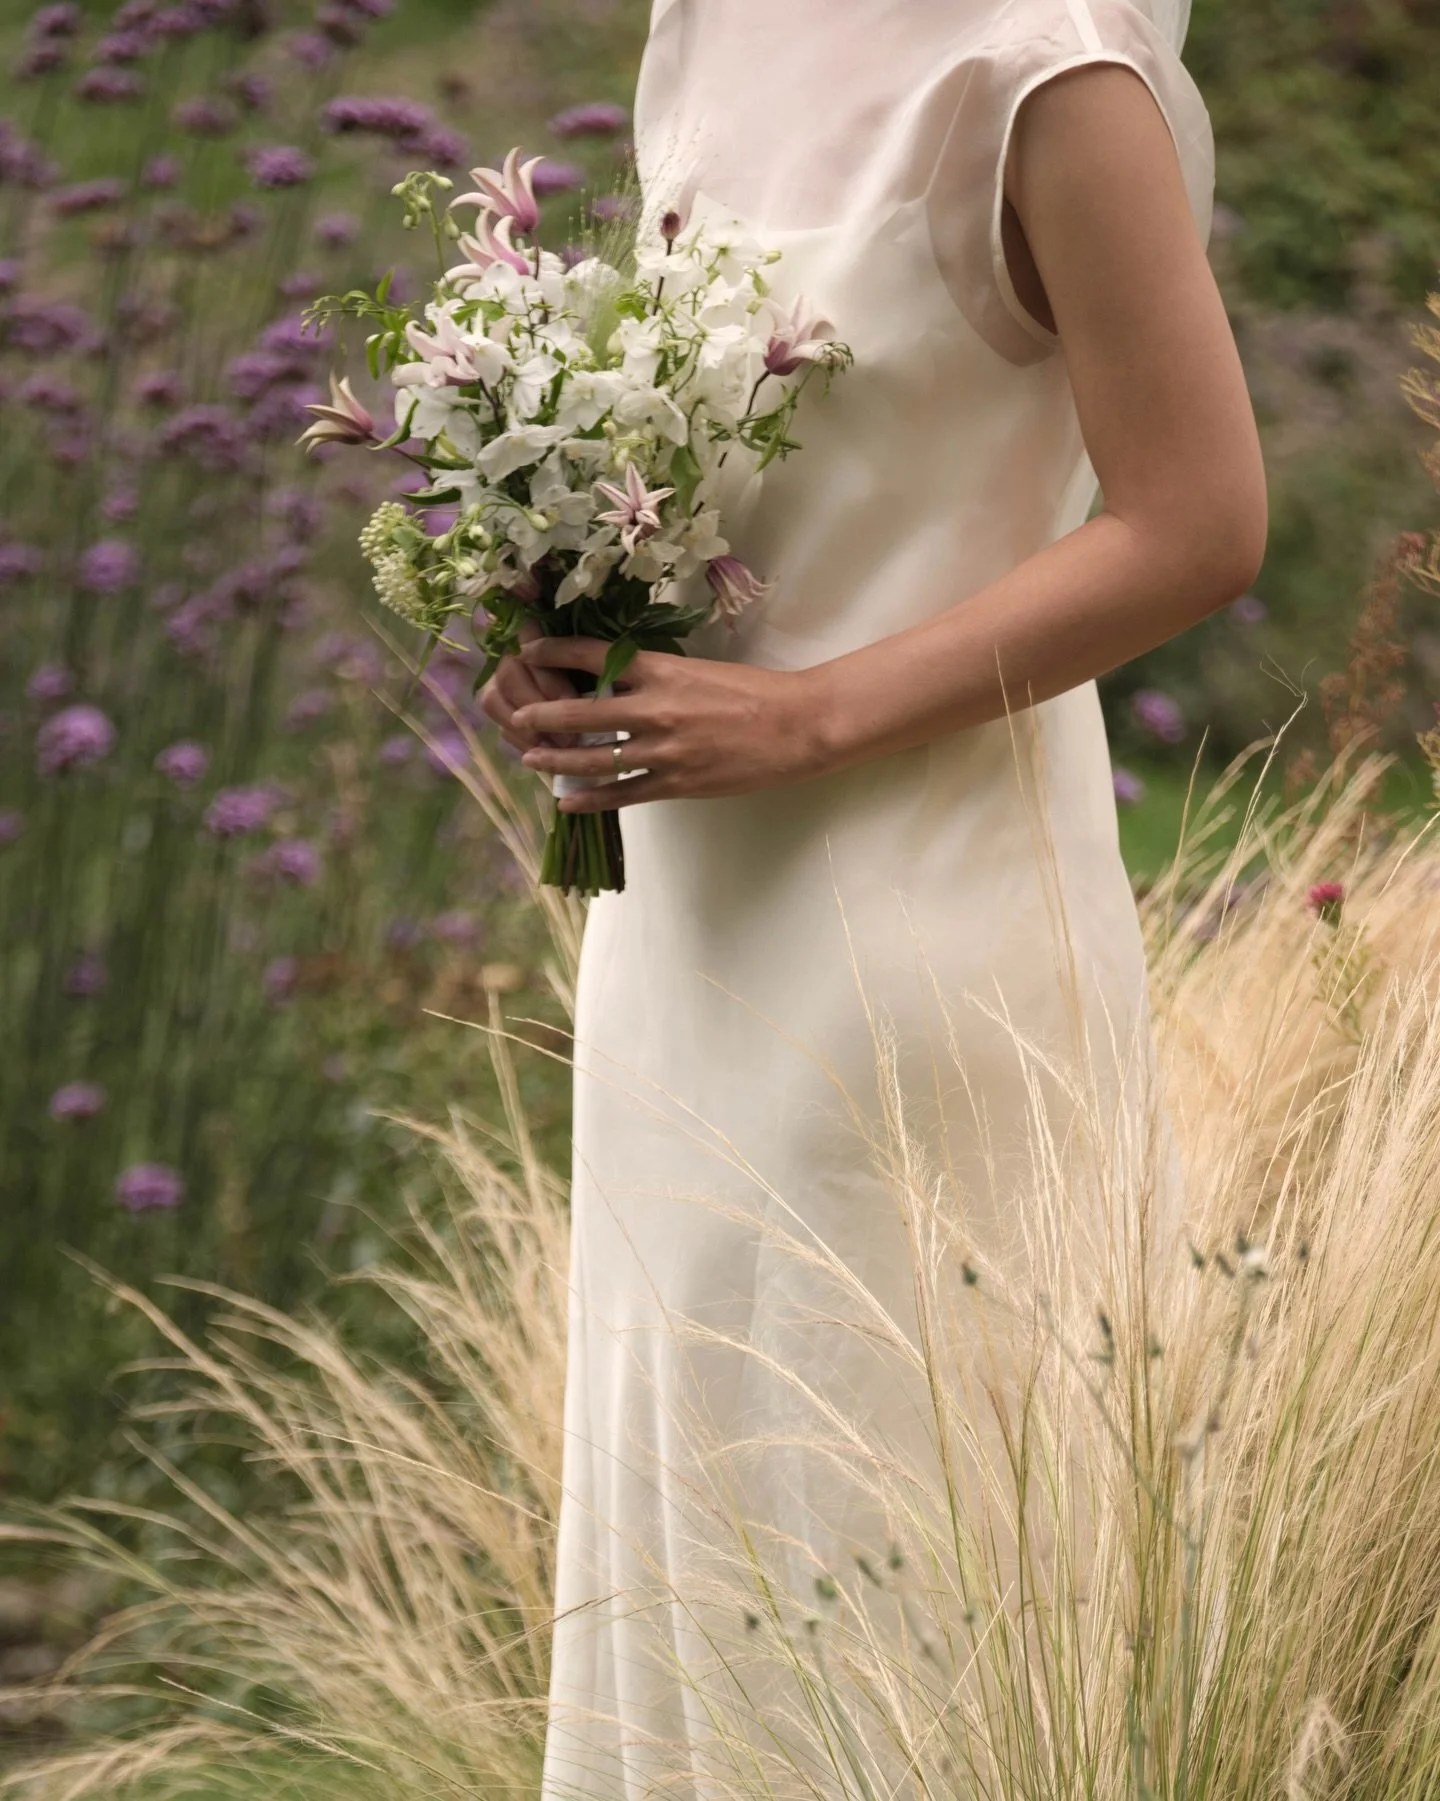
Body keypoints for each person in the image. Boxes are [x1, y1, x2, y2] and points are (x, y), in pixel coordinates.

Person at [483, 0, 1266, 1793]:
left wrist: (809, 712)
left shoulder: (1049, 70)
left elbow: (1201, 520)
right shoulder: (706, 20)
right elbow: (728, 475)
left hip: (918, 952)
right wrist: (576, 619)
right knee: (695, 1575)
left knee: (905, 1604)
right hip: (678, 940)